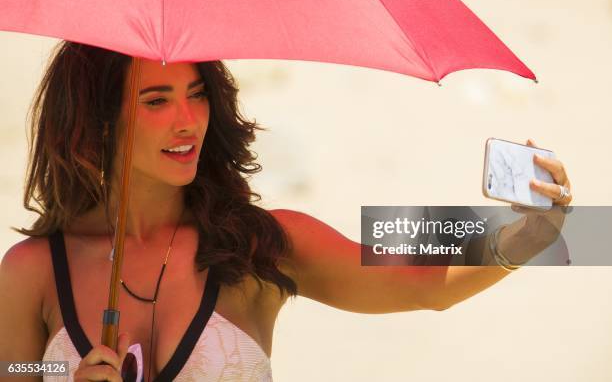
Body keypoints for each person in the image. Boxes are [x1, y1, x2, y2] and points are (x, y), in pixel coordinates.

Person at [0, 41, 573, 382]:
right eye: (156, 101)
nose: (187, 120)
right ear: (96, 124)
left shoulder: (258, 245)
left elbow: (422, 278)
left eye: (197, 93)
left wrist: (530, 234)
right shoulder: (31, 272)